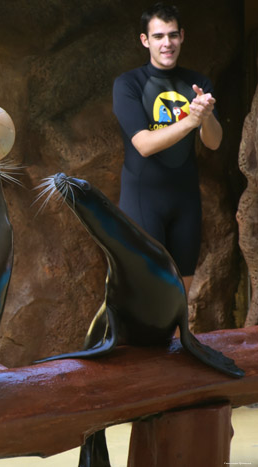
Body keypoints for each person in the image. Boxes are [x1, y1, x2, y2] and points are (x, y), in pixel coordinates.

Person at [113, 2, 222, 294]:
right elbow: (144, 145)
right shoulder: (128, 84)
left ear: (182, 36)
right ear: (145, 40)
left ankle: (175, 341)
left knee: (179, 295)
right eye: (159, 36)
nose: (167, 43)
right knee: (147, 293)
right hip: (143, 200)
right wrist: (190, 121)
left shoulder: (198, 83)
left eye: (173, 35)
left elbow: (213, 141)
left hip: (185, 200)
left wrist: (207, 115)